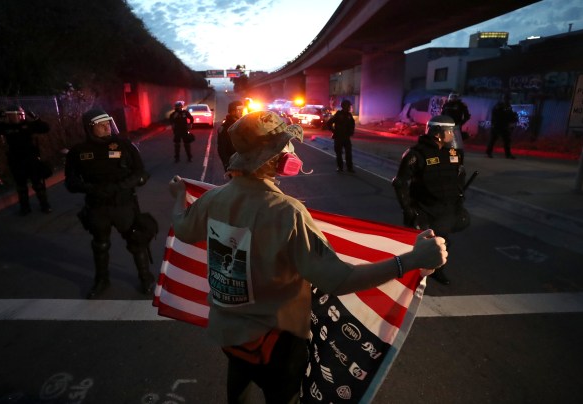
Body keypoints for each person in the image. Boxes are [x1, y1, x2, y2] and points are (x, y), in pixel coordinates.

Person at [168, 110, 447, 403]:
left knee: (239, 389)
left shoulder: (214, 199)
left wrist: (178, 197)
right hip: (276, 344)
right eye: (286, 144)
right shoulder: (287, 212)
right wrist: (410, 260)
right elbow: (339, 280)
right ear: (275, 156)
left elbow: (184, 229)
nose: (291, 149)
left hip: (229, 333)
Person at [65, 108, 156, 299]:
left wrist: (120, 186)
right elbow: (71, 182)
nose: (107, 127)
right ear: (90, 128)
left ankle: (145, 277)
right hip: (97, 206)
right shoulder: (78, 152)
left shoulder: (124, 145)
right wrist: (91, 189)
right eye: (102, 125)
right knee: (100, 245)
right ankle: (101, 280)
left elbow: (141, 172)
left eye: (108, 123)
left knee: (135, 241)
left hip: (123, 204)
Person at [392, 115, 470, 286]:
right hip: (423, 208)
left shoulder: (453, 153)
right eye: (450, 131)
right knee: (418, 246)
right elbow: (400, 183)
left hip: (445, 209)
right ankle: (407, 275)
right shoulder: (415, 154)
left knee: (442, 243)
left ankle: (437, 270)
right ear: (437, 133)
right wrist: (409, 210)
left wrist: (458, 203)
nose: (452, 134)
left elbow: (459, 178)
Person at [0, 105, 52, 215]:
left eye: (20, 115)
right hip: (16, 160)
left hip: (31, 159)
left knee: (38, 184)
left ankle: (45, 205)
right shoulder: (6, 127)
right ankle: (25, 208)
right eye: (14, 116)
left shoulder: (27, 125)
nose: (18, 118)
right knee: (21, 186)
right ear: (9, 117)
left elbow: (45, 128)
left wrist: (35, 118)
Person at [325, 99, 355, 172]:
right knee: (339, 153)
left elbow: (352, 124)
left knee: (348, 153)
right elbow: (329, 123)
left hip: (346, 137)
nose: (349, 107)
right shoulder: (338, 114)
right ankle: (340, 167)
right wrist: (334, 131)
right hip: (338, 137)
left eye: (349, 106)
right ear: (344, 106)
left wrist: (351, 131)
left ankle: (349, 168)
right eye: (348, 106)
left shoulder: (349, 115)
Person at [486, 94, 519, 159]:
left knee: (507, 140)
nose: (508, 101)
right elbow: (499, 115)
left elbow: (510, 115)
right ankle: (489, 152)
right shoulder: (499, 106)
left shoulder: (508, 106)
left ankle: (508, 154)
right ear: (504, 99)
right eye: (507, 99)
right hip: (497, 125)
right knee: (493, 139)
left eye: (509, 99)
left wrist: (513, 116)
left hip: (504, 126)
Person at [217, 100, 244, 171]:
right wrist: (227, 164)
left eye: (242, 109)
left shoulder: (243, 124)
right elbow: (221, 148)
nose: (241, 112)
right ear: (232, 112)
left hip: (245, 162)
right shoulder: (225, 128)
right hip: (233, 164)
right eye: (239, 110)